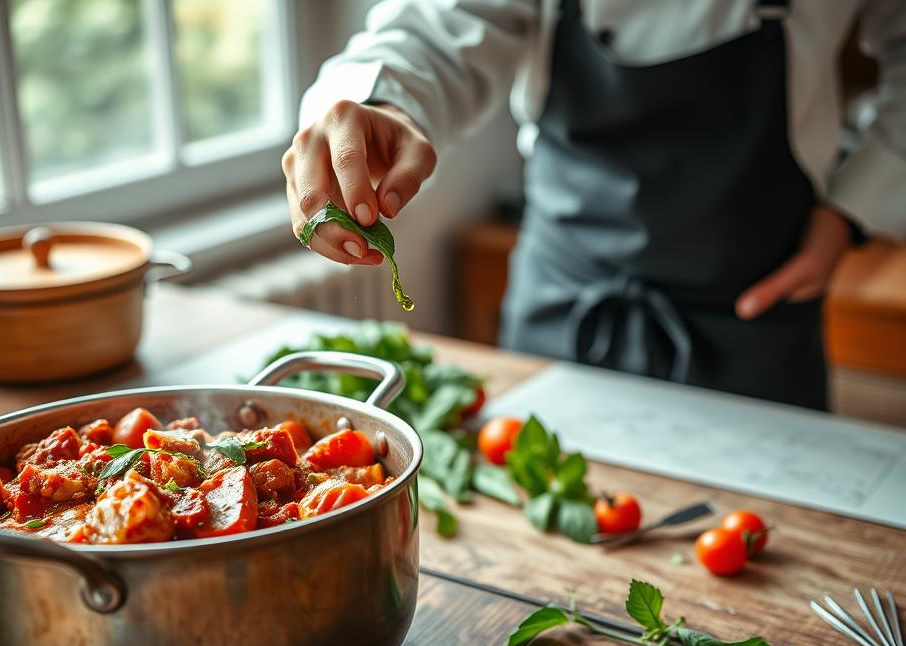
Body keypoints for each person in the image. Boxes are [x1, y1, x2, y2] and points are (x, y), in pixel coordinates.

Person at [282, 0, 906, 410]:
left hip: (756, 317)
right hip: (563, 303)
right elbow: (439, 22)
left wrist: (850, 212)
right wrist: (382, 100)